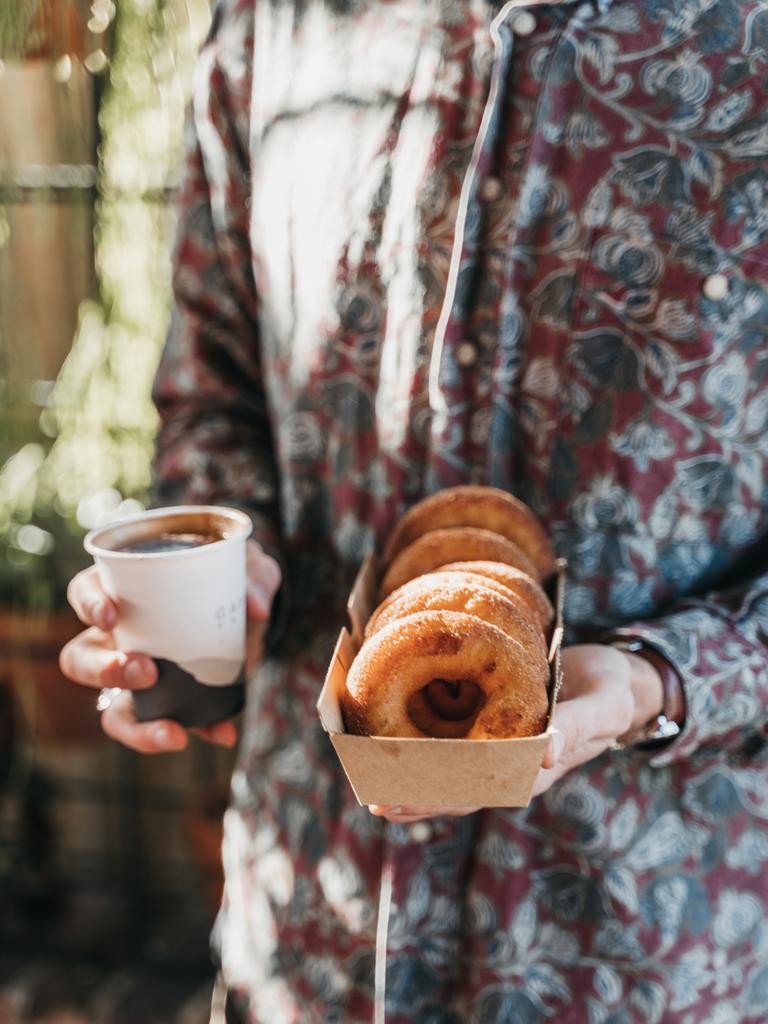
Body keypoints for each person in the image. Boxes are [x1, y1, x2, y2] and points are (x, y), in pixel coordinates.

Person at [60, 0, 768, 1019]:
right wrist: (221, 568)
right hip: (306, 937)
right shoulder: (272, 24)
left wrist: (665, 674)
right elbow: (212, 387)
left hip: (648, 947)